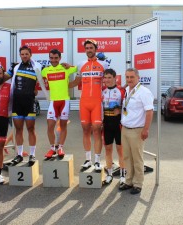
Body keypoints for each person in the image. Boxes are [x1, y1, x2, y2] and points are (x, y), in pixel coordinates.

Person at [6, 45, 47, 165]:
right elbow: (3, 78)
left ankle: (32, 155)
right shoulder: (15, 67)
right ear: (20, 55)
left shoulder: (37, 66)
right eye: (22, 54)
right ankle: (19, 154)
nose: (24, 56)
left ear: (30, 54)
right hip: (17, 102)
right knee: (18, 129)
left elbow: (50, 73)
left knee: (31, 128)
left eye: (26, 54)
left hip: (29, 102)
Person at [119, 68, 154, 195]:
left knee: (137, 158)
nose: (129, 79)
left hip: (137, 131)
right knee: (127, 157)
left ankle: (138, 184)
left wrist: (146, 129)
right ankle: (129, 181)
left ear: (138, 78)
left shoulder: (144, 92)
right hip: (125, 129)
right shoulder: (127, 90)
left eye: (132, 77)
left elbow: (149, 112)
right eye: (127, 77)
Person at [77, 39, 109, 172]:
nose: (89, 50)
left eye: (91, 48)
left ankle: (97, 160)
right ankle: (88, 159)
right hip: (84, 102)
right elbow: (76, 81)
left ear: (95, 49)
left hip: (97, 102)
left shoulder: (104, 64)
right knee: (85, 130)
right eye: (87, 48)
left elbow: (110, 80)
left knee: (96, 130)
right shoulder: (81, 64)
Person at [42, 49, 80, 159]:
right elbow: (37, 76)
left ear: (59, 58)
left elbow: (79, 68)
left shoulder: (65, 68)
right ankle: (52, 147)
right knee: (50, 126)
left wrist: (70, 65)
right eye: (51, 58)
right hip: (53, 101)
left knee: (63, 126)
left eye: (56, 58)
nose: (53, 60)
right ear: (49, 58)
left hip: (64, 101)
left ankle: (60, 147)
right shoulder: (45, 70)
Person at [102, 69, 126, 185]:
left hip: (118, 123)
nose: (107, 80)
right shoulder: (102, 91)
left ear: (115, 78)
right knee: (108, 149)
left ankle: (122, 175)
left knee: (120, 150)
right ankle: (110, 174)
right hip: (107, 122)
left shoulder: (121, 91)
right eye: (105, 77)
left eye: (109, 77)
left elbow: (127, 107)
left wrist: (120, 110)